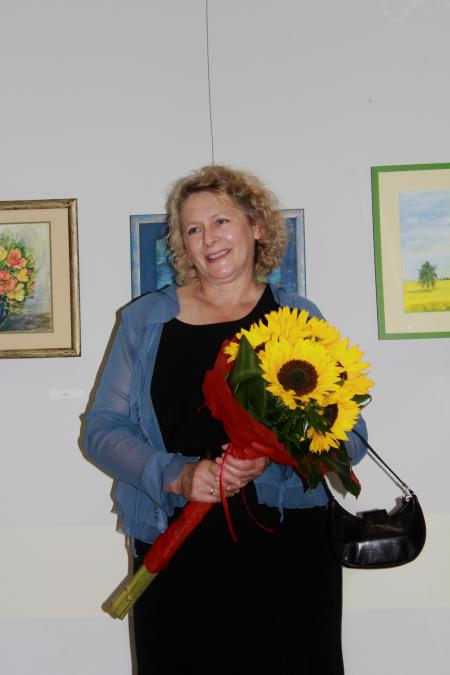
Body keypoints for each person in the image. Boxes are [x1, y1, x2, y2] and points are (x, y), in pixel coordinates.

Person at [84, 165, 368, 674]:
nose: (208, 238)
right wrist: (177, 474)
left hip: (287, 551)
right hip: (178, 543)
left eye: (221, 221)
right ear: (183, 245)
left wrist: (274, 453)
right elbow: (102, 431)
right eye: (193, 229)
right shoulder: (144, 321)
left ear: (256, 226)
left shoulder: (296, 317)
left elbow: (350, 438)